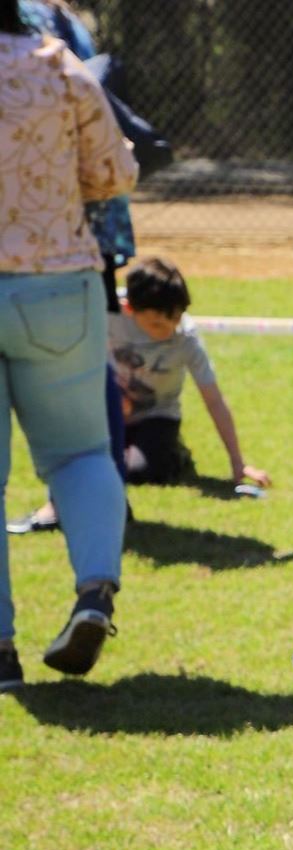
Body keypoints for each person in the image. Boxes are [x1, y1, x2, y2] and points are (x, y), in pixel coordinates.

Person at [0, 0, 138, 692]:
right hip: (58, 284)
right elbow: (115, 172)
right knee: (82, 453)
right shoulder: (57, 64)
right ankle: (94, 596)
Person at [107, 257, 270, 489]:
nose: (169, 331)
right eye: (156, 325)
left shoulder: (186, 338)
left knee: (135, 471)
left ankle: (175, 456)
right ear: (129, 308)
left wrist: (238, 462)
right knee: (93, 464)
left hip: (157, 416)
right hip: (109, 411)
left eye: (175, 319)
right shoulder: (106, 314)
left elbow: (213, 400)